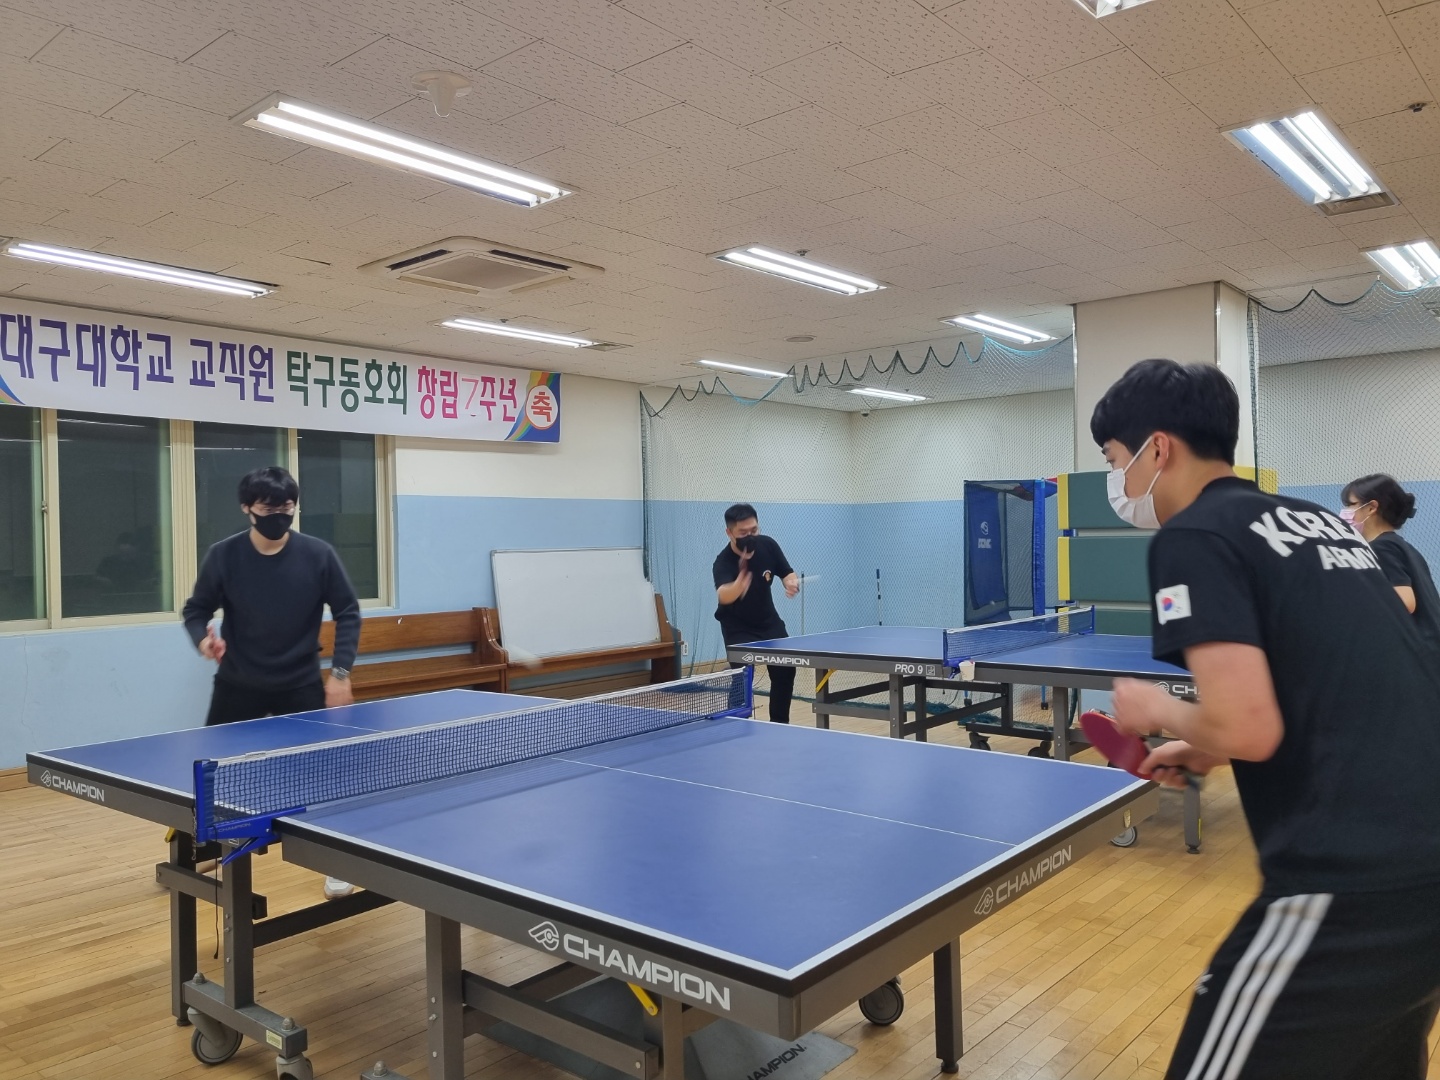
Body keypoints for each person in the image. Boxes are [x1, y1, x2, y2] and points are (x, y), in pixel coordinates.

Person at [1094, 358, 1440, 1080]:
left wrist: (1157, 708)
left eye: (1113, 459)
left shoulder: (1191, 536)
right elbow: (1330, 678)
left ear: (1158, 449)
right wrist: (1205, 743)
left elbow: (1250, 729)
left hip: (1353, 880)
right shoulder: (1320, 524)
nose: (1116, 480)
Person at [182, 465, 362, 900]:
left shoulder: (318, 555)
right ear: (247, 508)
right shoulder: (224, 556)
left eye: (287, 508)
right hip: (238, 682)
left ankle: (336, 862)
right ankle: (209, 849)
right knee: (214, 773)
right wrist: (203, 640)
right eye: (269, 509)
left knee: (321, 773)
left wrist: (340, 674)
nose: (279, 516)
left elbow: (348, 612)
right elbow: (196, 610)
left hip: (299, 683)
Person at [713, 503, 800, 723]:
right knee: (742, 676)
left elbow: (786, 572)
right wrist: (738, 586)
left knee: (785, 670)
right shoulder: (723, 561)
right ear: (729, 532)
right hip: (737, 627)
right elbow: (723, 595)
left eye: (754, 530)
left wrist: (790, 583)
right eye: (743, 533)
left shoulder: (768, 545)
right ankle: (736, 723)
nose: (750, 536)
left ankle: (779, 724)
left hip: (769, 622)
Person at [1341, 473, 1440, 657]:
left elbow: (1405, 602)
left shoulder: (1381, 548)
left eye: (1351, 504)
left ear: (1371, 508)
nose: (1346, 511)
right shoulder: (1404, 547)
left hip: (1420, 655)